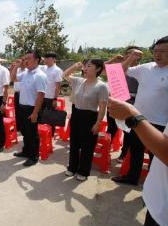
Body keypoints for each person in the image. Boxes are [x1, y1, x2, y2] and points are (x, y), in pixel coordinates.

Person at [108, 97, 168, 226]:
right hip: (157, 204)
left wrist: (134, 118)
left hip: (164, 217)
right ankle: (132, 177)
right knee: (136, 153)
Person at [112, 36, 168, 186]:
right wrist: (131, 57)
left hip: (161, 123)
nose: (158, 54)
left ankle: (152, 185)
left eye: (162, 51)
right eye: (155, 51)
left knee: (156, 158)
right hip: (138, 119)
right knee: (135, 151)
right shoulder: (146, 68)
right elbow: (119, 72)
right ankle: (132, 177)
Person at [62, 59, 109, 181]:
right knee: (74, 143)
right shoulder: (79, 81)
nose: (85, 68)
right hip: (76, 114)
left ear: (98, 69)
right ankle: (72, 167)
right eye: (85, 66)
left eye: (89, 66)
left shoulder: (102, 86)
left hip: (90, 116)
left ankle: (83, 170)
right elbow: (64, 75)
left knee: (87, 146)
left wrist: (98, 123)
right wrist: (74, 66)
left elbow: (102, 106)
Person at [10, 50, 47, 167]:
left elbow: (41, 95)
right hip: (22, 107)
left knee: (32, 134)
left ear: (37, 60)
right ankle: (26, 151)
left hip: (32, 108)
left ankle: (34, 156)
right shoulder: (26, 73)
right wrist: (16, 66)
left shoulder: (39, 75)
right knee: (25, 132)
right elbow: (14, 79)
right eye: (25, 58)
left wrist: (35, 113)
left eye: (29, 58)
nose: (26, 61)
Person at [105, 46, 141, 161]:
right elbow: (103, 67)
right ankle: (106, 148)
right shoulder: (118, 68)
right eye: (128, 53)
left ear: (139, 56)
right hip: (114, 102)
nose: (130, 56)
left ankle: (124, 153)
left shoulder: (142, 70)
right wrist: (114, 58)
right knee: (111, 128)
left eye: (134, 54)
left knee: (128, 130)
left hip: (131, 103)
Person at [39, 52, 63, 136]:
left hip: (50, 98)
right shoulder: (43, 68)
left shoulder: (57, 70)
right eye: (45, 58)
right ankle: (42, 132)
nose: (46, 60)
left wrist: (55, 99)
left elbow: (58, 86)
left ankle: (51, 134)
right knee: (41, 115)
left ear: (54, 59)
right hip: (42, 97)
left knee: (50, 117)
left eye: (48, 58)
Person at [10, 57, 26, 133]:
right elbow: (11, 78)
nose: (21, 62)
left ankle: (23, 127)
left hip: (23, 93)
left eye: (23, 60)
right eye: (20, 61)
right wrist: (13, 68)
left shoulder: (26, 71)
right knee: (17, 112)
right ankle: (18, 127)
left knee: (23, 112)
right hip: (17, 93)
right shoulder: (18, 70)